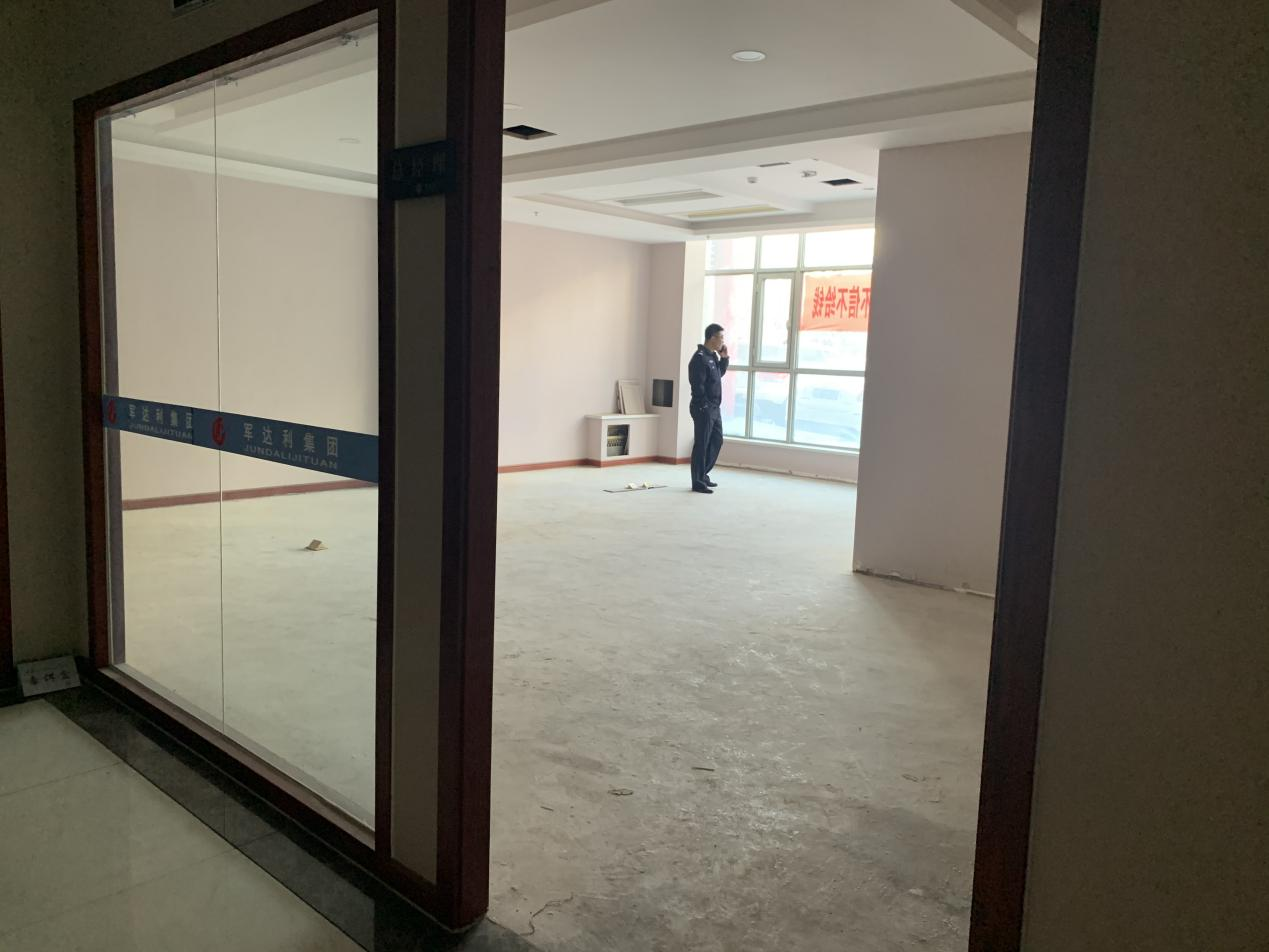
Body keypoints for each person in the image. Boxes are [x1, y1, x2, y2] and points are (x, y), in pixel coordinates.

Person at [687, 323, 729, 494]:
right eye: (721, 337)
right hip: (703, 408)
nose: (723, 341)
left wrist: (724, 358)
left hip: (714, 408)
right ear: (712, 337)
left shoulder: (712, 356)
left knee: (717, 440)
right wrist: (704, 405)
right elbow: (697, 385)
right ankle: (697, 482)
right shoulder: (699, 358)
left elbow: (718, 375)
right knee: (701, 445)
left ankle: (703, 474)